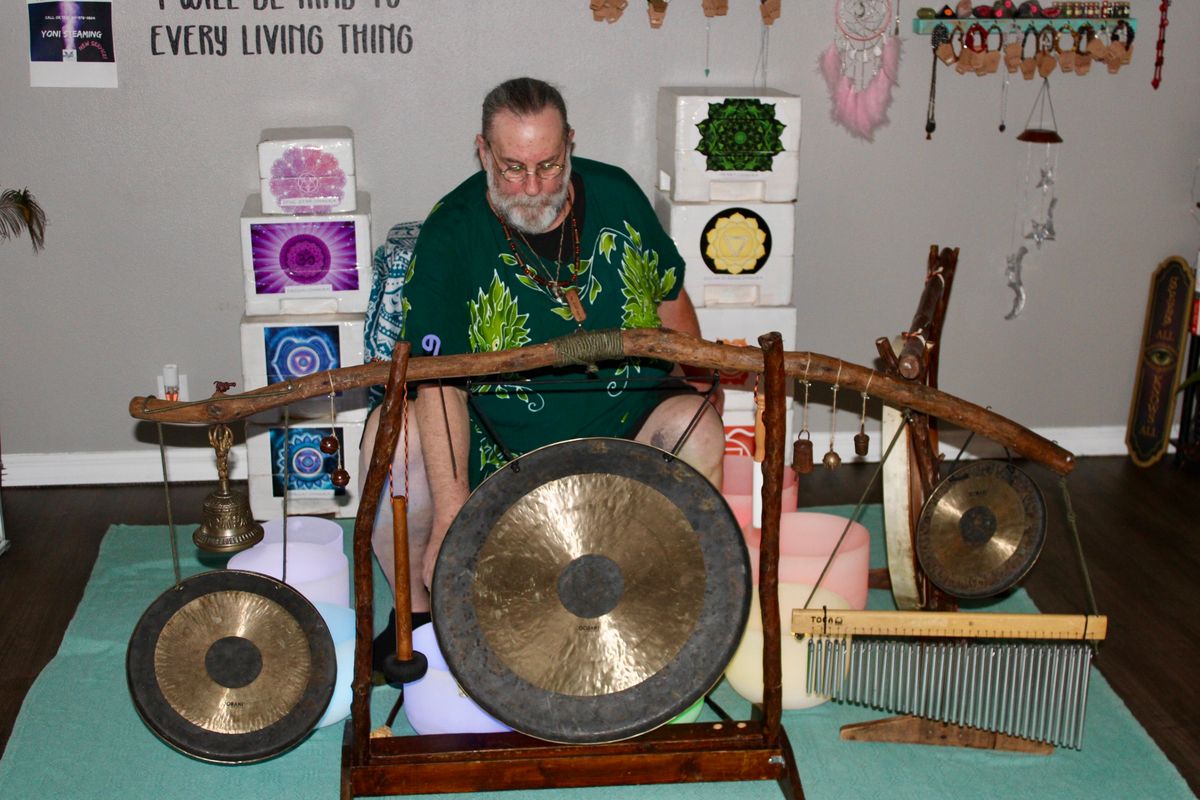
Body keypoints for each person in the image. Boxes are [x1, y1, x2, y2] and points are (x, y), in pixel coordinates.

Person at [360, 77, 724, 663]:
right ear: (482, 151)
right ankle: (420, 614)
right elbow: (435, 374)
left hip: (623, 427)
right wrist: (452, 519)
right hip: (495, 442)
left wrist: (708, 385)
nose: (531, 188)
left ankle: (658, 597)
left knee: (699, 425)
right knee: (392, 435)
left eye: (549, 166)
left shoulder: (617, 194)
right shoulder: (449, 232)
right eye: (511, 168)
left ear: (571, 146)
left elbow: (669, 297)